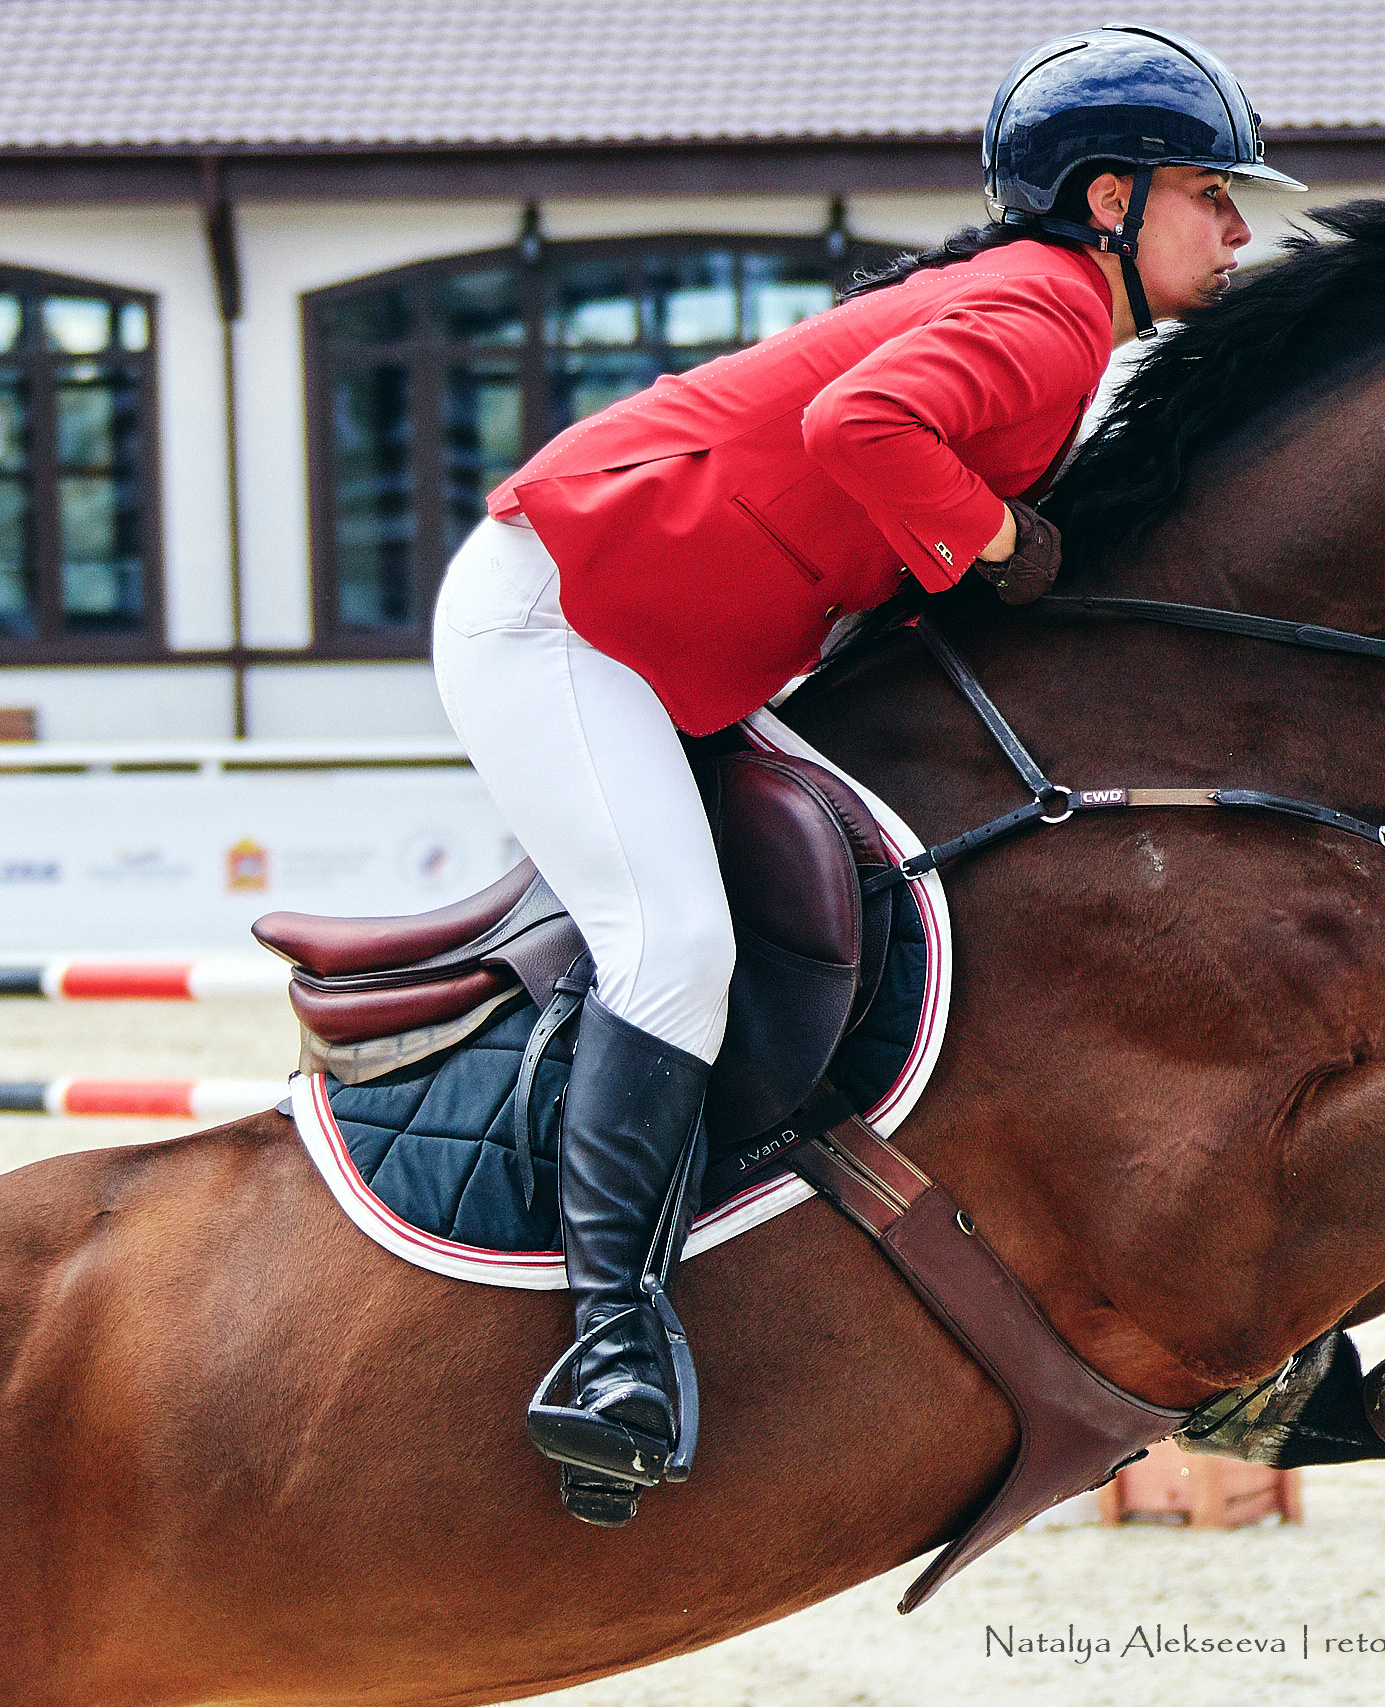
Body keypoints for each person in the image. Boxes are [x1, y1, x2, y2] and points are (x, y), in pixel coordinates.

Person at [431, 25, 1302, 1523]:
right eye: (1209, 194)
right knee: (677, 950)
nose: (1237, 226)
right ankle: (608, 1345)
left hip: (661, 651)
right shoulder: (1046, 316)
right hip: (560, 620)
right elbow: (862, 426)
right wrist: (1003, 541)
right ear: (1111, 200)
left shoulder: (1045, 316)